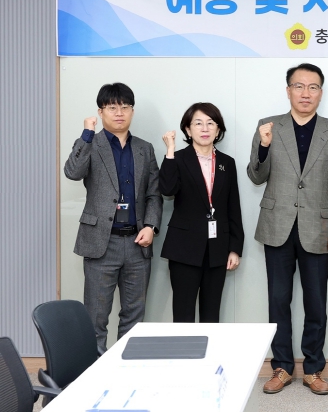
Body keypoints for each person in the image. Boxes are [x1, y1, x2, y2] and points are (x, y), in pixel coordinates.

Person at [248, 63, 328, 396]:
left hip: (318, 228)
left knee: (316, 303)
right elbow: (256, 176)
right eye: (299, 86)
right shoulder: (268, 126)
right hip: (277, 225)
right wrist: (263, 147)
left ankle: (313, 369)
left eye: (313, 87)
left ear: (321, 92)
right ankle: (281, 367)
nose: (306, 93)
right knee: (278, 300)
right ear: (288, 90)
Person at [63, 82, 162, 355]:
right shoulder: (90, 144)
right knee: (95, 318)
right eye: (112, 107)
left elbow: (154, 194)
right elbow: (72, 172)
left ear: (132, 111)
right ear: (101, 111)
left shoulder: (144, 148)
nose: (119, 113)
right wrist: (86, 133)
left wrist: (151, 226)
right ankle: (95, 374)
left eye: (125, 107)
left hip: (137, 243)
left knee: (134, 317)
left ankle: (125, 372)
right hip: (101, 243)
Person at [159, 103, 244, 323]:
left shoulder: (227, 163)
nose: (205, 128)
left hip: (218, 249)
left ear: (218, 129)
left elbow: (233, 206)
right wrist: (170, 151)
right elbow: (167, 190)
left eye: (210, 123)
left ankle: (210, 349)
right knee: (183, 314)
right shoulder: (177, 159)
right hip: (184, 249)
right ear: (188, 130)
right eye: (198, 123)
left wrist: (235, 248)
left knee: (211, 315)